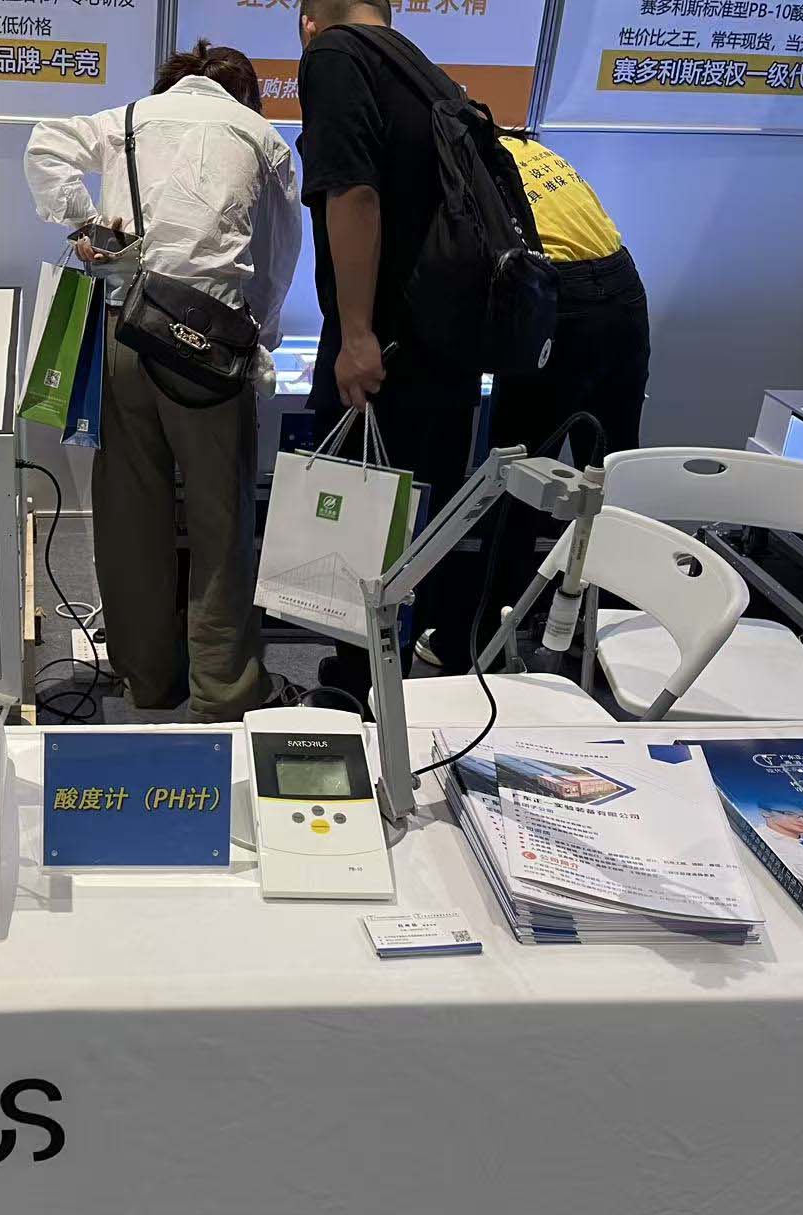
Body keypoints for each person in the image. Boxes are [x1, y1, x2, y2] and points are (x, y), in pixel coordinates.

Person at [25, 42, 303, 720]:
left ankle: (146, 680)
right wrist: (260, 335)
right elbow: (277, 256)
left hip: (125, 328)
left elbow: (44, 144)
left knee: (128, 515)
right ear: (244, 94)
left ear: (169, 84)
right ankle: (222, 690)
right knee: (220, 521)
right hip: (209, 348)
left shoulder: (127, 119)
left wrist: (86, 222)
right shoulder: (262, 137)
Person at [295, 0, 484, 695]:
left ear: (308, 23)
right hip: (444, 343)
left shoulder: (335, 54)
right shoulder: (427, 74)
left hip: (387, 344)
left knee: (357, 524)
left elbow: (354, 193)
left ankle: (359, 697)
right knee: (414, 526)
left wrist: (355, 334)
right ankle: (392, 687)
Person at [474, 134, 652, 657]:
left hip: (559, 294)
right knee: (612, 470)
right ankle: (610, 635)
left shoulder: (464, 161)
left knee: (520, 473)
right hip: (622, 285)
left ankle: (488, 638)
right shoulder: (531, 149)